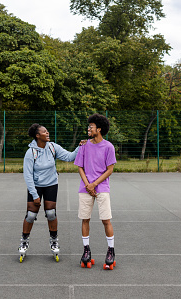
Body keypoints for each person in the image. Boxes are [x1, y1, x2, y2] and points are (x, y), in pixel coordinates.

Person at [19, 123, 86, 262]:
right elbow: (27, 175)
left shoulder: (52, 147)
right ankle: (24, 241)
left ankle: (54, 240)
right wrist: (35, 195)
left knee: (51, 213)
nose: (47, 133)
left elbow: (69, 156)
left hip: (51, 184)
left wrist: (79, 147)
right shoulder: (30, 153)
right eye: (44, 132)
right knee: (31, 215)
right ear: (38, 135)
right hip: (35, 186)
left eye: (47, 131)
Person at [74, 113, 117, 270]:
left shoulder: (108, 147)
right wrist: (88, 185)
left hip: (102, 188)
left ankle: (111, 250)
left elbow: (110, 169)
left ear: (99, 129)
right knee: (85, 219)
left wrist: (94, 184)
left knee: (106, 220)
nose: (88, 129)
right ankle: (86, 250)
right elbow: (80, 167)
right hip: (85, 188)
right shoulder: (84, 146)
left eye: (91, 127)